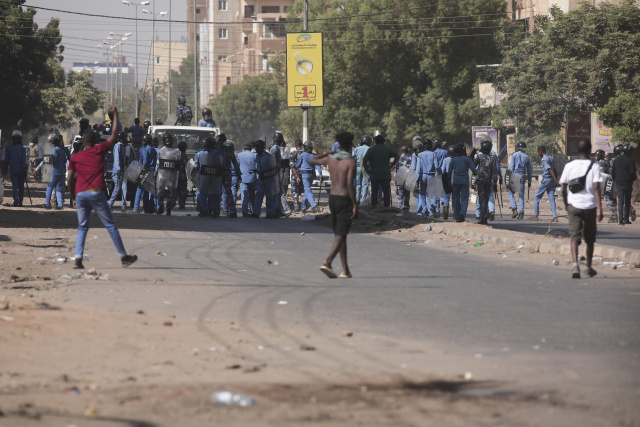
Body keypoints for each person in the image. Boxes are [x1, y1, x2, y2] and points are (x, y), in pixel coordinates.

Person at [66, 104, 137, 270]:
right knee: (110, 225)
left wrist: (73, 197)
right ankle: (123, 256)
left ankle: (78, 258)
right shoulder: (100, 150)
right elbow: (114, 134)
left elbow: (69, 179)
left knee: (83, 226)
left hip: (81, 195)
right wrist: (115, 114)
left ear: (83, 141)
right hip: (96, 193)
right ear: (95, 141)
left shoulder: (76, 157)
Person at [310, 131, 357, 279]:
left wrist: (326, 153)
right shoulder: (350, 162)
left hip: (333, 198)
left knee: (340, 234)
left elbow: (312, 160)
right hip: (344, 199)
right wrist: (355, 204)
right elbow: (349, 185)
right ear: (350, 145)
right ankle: (328, 261)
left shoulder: (331, 159)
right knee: (341, 233)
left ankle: (345, 270)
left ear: (339, 145)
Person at [558, 139, 602, 278]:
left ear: (577, 150)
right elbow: (596, 187)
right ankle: (588, 267)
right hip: (590, 206)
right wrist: (600, 209)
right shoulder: (594, 166)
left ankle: (575, 265)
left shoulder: (569, 166)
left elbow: (563, 187)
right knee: (590, 239)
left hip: (574, 206)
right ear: (590, 151)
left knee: (574, 237)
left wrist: (566, 203)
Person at [363, 134, 398, 208]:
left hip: (374, 174)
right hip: (385, 173)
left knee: (374, 192)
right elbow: (397, 156)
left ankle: (374, 206)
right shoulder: (387, 149)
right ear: (383, 141)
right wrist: (391, 165)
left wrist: (367, 170)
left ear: (375, 141)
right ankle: (387, 206)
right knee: (386, 192)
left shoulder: (371, 149)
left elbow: (364, 160)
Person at [195, 136, 224, 218]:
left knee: (203, 193)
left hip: (204, 176)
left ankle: (205, 210)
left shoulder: (199, 154)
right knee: (215, 194)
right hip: (215, 176)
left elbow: (196, 166)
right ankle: (215, 211)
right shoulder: (218, 153)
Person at [473, 137, 499, 225]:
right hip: (488, 181)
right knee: (486, 199)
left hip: (480, 181)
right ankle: (485, 217)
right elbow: (495, 171)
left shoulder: (478, 156)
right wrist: (495, 183)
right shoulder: (493, 158)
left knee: (481, 199)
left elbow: (473, 166)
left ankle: (483, 217)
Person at [529, 146, 559, 221]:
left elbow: (550, 169)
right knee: (551, 197)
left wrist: (556, 181)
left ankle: (536, 215)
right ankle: (555, 216)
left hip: (546, 179)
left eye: (538, 152)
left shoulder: (544, 159)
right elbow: (555, 170)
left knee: (536, 197)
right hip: (551, 180)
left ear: (540, 151)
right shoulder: (550, 158)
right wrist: (555, 180)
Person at [155, 132, 181, 216]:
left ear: (172, 140)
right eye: (166, 139)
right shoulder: (161, 150)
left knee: (171, 192)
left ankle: (169, 208)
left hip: (172, 175)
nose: (167, 141)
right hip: (162, 175)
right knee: (160, 192)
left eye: (169, 139)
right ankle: (161, 207)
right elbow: (158, 163)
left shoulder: (177, 151)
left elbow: (179, 164)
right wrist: (155, 172)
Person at [449, 144, 477, 222]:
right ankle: (462, 214)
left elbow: (449, 171)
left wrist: (448, 181)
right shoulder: (467, 159)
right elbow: (474, 170)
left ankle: (457, 216)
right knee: (464, 198)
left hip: (455, 182)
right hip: (464, 181)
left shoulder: (453, 160)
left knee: (456, 198)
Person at [293, 140, 322, 213]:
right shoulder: (314, 155)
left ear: (305, 147)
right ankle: (303, 207)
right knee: (307, 190)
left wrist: (293, 165)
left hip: (305, 174)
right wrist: (320, 175)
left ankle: (314, 205)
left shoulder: (303, 155)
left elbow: (297, 165)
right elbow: (318, 167)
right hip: (312, 175)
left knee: (308, 190)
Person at [611, 143, 637, 225]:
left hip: (619, 184)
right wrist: (632, 180)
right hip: (628, 184)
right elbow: (633, 173)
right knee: (627, 201)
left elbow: (613, 172)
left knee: (620, 202)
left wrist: (616, 180)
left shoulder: (616, 160)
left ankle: (620, 219)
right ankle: (626, 219)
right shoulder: (630, 160)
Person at [253, 139, 278, 218]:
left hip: (268, 179)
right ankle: (256, 213)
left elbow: (274, 168)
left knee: (269, 196)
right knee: (259, 195)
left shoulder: (268, 156)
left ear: (261, 147)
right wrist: (255, 171)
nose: (256, 149)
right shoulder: (257, 156)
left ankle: (270, 213)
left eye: (257, 147)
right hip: (261, 178)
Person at [507, 141, 532, 219]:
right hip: (522, 176)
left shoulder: (514, 155)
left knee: (511, 193)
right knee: (521, 195)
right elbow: (529, 170)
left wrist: (510, 177)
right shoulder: (527, 157)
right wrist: (530, 180)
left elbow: (511, 167)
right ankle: (521, 213)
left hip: (515, 175)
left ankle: (514, 209)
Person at [44, 134, 70, 210]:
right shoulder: (62, 150)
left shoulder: (54, 149)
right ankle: (60, 204)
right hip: (61, 172)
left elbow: (53, 160)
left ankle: (47, 204)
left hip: (53, 172)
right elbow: (65, 160)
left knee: (49, 187)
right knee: (59, 189)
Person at [414, 138, 436, 218]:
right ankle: (433, 207)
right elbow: (437, 167)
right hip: (431, 175)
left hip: (423, 176)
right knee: (433, 194)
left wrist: (417, 179)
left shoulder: (420, 155)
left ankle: (424, 211)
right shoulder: (433, 154)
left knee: (422, 194)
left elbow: (418, 169)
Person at [108, 132, 129, 212]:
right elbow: (116, 158)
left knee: (124, 188)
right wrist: (118, 168)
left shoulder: (123, 146)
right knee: (117, 188)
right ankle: (109, 204)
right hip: (117, 171)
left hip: (123, 171)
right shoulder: (118, 146)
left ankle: (123, 206)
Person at [595, 149, 618, 223]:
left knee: (608, 200)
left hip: (605, 184)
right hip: (610, 182)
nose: (595, 157)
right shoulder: (607, 162)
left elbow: (600, 174)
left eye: (597, 155)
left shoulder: (600, 163)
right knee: (611, 199)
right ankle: (614, 215)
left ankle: (613, 216)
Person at [6, 130, 27, 207]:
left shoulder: (10, 149)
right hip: (21, 170)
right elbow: (24, 161)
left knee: (15, 186)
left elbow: (7, 160)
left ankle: (16, 201)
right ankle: (20, 202)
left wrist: (4, 170)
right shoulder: (23, 149)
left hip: (13, 169)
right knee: (21, 187)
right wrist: (25, 170)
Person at [238, 141, 257, 217]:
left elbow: (237, 165)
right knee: (252, 195)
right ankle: (253, 211)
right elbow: (257, 166)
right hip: (252, 177)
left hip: (242, 177)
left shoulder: (239, 155)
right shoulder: (254, 155)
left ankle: (244, 211)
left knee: (244, 194)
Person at [221, 139, 239, 218]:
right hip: (227, 174)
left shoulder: (219, 150)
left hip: (219, 174)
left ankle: (214, 210)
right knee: (229, 193)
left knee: (217, 193)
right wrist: (239, 174)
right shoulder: (230, 152)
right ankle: (232, 211)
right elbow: (235, 164)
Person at [352, 135, 372, 205]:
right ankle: (363, 200)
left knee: (358, 184)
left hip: (358, 167)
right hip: (366, 168)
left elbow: (352, 157)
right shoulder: (370, 149)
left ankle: (357, 199)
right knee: (365, 184)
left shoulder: (357, 148)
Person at [289, 139, 304, 212]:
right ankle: (304, 206)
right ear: (301, 145)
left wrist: (297, 176)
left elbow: (292, 166)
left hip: (295, 175)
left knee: (295, 191)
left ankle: (296, 207)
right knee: (302, 191)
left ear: (295, 145)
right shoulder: (305, 153)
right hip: (304, 175)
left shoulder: (293, 153)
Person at [433, 138, 447, 218]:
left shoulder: (433, 153)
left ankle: (437, 211)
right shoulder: (445, 152)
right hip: (444, 173)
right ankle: (444, 205)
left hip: (435, 174)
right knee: (443, 191)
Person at [410, 136, 424, 215]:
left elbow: (413, 168)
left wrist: (414, 179)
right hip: (425, 175)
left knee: (416, 194)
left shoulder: (414, 155)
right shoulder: (424, 153)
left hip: (417, 176)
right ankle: (422, 209)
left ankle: (419, 211)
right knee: (423, 193)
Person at [441, 145, 455, 220]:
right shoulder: (457, 159)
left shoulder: (446, 160)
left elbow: (443, 170)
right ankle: (455, 211)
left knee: (446, 195)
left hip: (447, 178)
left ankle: (446, 207)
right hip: (455, 179)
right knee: (455, 196)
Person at [395, 146, 412, 211]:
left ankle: (401, 207)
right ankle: (406, 207)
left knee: (400, 193)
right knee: (407, 193)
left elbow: (396, 168)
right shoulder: (410, 158)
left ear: (401, 151)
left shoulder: (398, 158)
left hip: (400, 178)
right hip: (408, 178)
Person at [176, 141, 189, 209]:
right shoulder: (184, 155)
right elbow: (186, 165)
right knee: (183, 191)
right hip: (182, 176)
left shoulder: (175, 154)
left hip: (175, 176)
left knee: (174, 190)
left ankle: (172, 203)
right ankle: (182, 205)